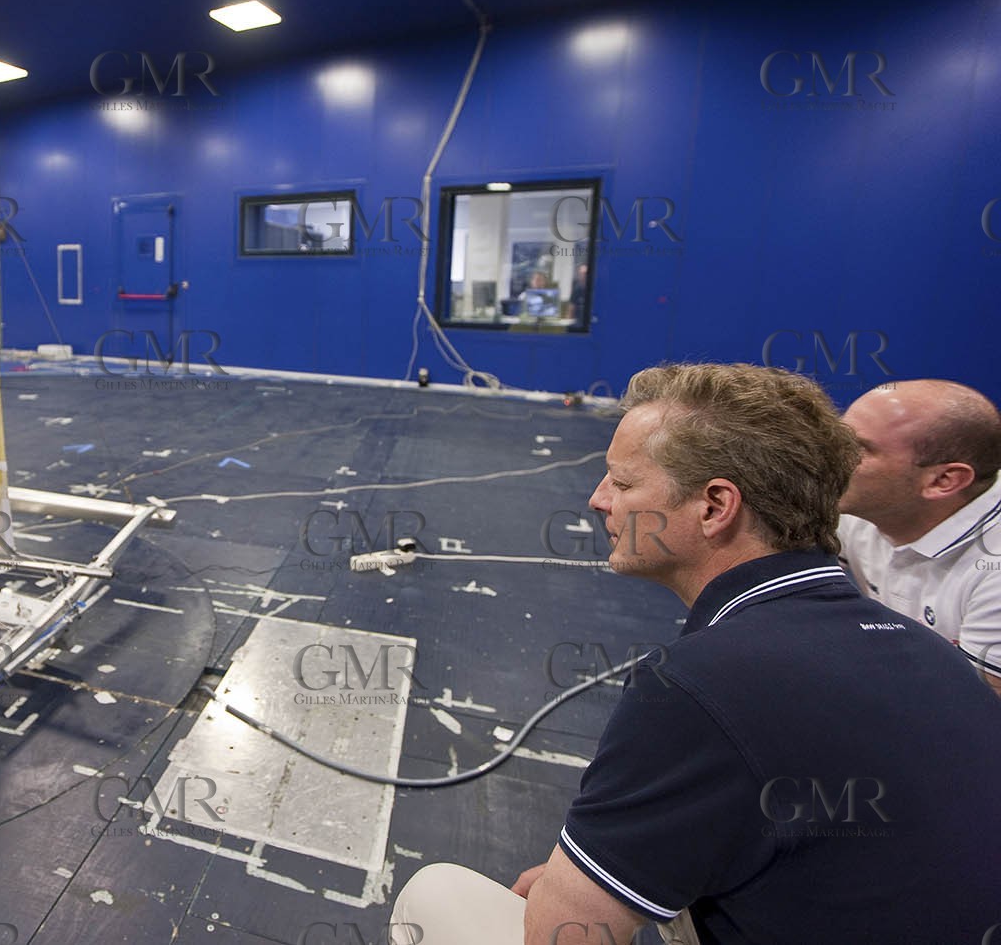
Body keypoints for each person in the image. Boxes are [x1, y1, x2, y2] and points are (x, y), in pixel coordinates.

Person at [390, 363, 1001, 945]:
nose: (598, 499)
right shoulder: (933, 651)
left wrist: (566, 890)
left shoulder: (697, 688)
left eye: (624, 482)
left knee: (437, 895)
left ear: (714, 506)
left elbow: (564, 933)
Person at [837, 379, 1001, 693]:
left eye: (859, 448)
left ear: (943, 480)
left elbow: (978, 716)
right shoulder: (867, 501)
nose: (829, 457)